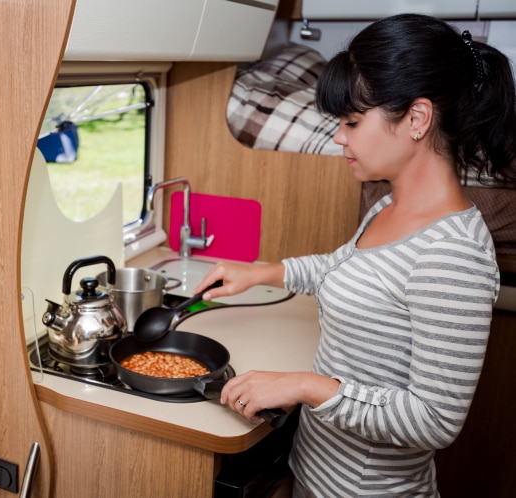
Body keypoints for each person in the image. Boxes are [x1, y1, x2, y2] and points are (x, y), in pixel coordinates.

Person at [194, 13, 516, 497]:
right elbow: (346, 268)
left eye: (351, 122)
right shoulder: (390, 203)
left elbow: (434, 421)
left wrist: (305, 385)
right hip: (319, 473)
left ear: (416, 119)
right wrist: (262, 271)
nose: (339, 137)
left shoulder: (453, 256)